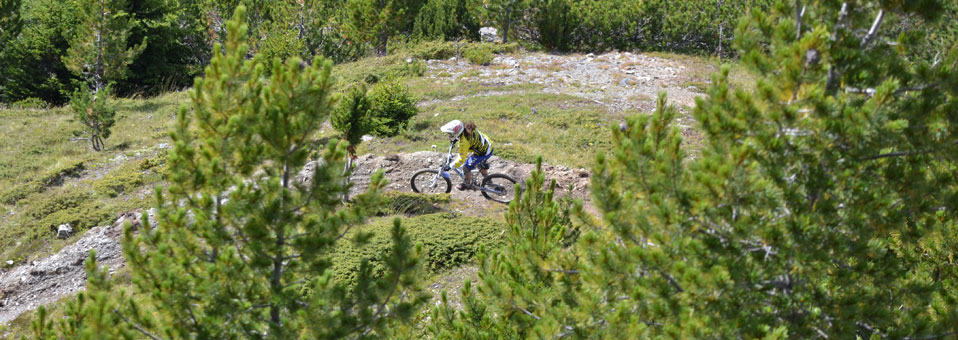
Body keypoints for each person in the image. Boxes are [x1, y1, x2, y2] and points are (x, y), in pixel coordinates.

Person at [439, 120, 494, 190]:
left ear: (457, 133)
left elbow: (461, 159)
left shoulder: (464, 142)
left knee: (466, 167)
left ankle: (467, 184)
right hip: (488, 144)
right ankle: (488, 180)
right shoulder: (467, 127)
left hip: (484, 152)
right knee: (480, 164)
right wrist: (456, 139)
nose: (449, 136)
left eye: (451, 134)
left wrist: (450, 166)